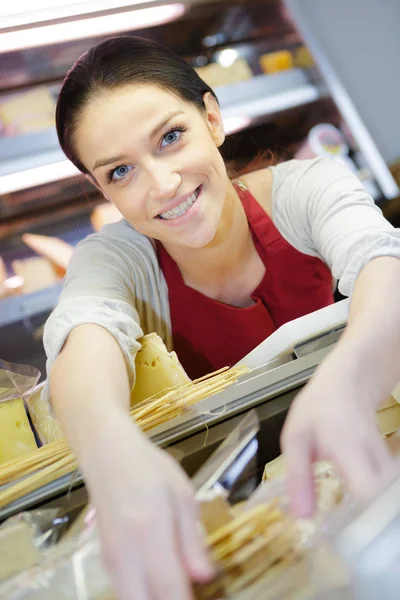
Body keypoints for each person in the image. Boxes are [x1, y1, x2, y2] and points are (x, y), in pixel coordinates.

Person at [45, 36, 400, 600]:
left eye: (170, 137)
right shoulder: (117, 259)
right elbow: (83, 343)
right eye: (119, 173)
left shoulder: (307, 189)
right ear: (98, 187)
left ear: (212, 118)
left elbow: (386, 268)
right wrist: (110, 450)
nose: (161, 185)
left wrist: (352, 375)